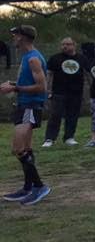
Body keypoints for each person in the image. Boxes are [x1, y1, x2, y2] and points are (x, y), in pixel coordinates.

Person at [1, 25, 51, 205]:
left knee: (18, 148)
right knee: (26, 148)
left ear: (22, 37)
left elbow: (42, 87)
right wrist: (13, 84)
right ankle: (28, 188)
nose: (13, 38)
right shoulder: (27, 57)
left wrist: (15, 88)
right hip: (25, 105)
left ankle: (39, 186)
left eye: (15, 35)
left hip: (30, 106)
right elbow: (30, 82)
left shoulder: (33, 59)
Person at [41, 36, 88, 148]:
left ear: (74, 45)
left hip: (76, 92)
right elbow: (49, 74)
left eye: (68, 44)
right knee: (55, 115)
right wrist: (48, 89)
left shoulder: (81, 58)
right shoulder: (55, 58)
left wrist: (89, 90)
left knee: (72, 115)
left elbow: (87, 74)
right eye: (63, 44)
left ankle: (69, 137)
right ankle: (50, 138)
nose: (65, 46)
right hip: (59, 92)